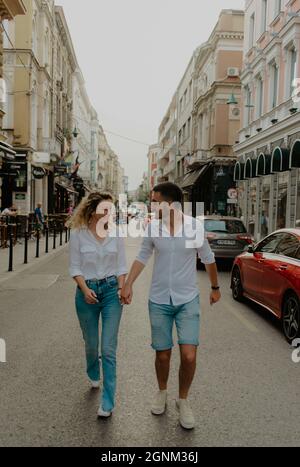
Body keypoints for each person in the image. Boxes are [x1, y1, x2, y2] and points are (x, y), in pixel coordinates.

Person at [122, 182, 221, 430]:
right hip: (159, 299)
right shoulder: (154, 227)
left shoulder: (194, 227)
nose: (152, 205)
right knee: (163, 354)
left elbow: (207, 258)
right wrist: (128, 284)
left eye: (155, 201)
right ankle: (162, 391)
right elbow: (143, 255)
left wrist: (215, 288)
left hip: (187, 298)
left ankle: (183, 400)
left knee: (188, 355)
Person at [68, 192, 128, 418]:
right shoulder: (78, 235)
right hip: (86, 292)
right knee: (92, 344)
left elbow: (122, 266)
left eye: (111, 210)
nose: (109, 213)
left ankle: (108, 402)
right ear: (92, 211)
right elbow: (75, 268)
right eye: (105, 209)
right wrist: (85, 290)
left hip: (112, 292)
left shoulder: (116, 234)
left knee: (108, 349)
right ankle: (93, 370)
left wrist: (122, 288)